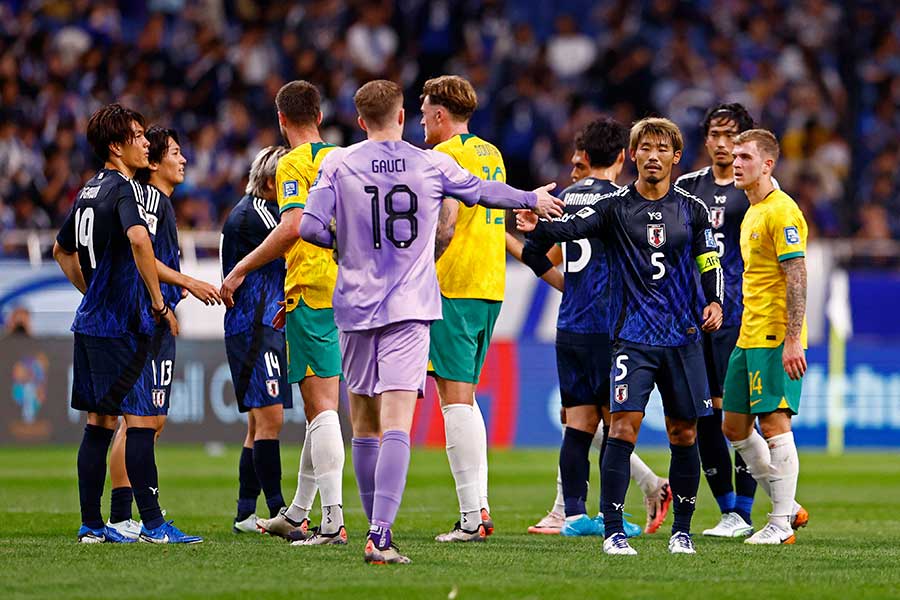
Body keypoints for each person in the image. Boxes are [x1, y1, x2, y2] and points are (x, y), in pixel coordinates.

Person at [299, 79, 563, 564]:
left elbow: (310, 227)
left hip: (356, 307)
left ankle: (370, 524)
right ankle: (381, 537)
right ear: (400, 117)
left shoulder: (337, 162)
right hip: (410, 308)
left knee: (364, 422)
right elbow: (483, 193)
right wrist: (531, 198)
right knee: (400, 422)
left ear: (360, 121)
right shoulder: (432, 162)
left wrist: (344, 242)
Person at [520, 117, 724, 555]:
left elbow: (710, 259)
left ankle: (682, 531)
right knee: (622, 430)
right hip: (631, 338)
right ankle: (613, 530)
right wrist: (534, 225)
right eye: (645, 147)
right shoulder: (614, 205)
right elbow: (567, 230)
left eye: (661, 148)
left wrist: (715, 301)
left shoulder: (693, 209)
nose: (653, 155)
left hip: (683, 336)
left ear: (675, 157)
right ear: (631, 155)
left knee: (685, 433)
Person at [513, 118, 669, 537]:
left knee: (578, 424)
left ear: (585, 157)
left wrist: (567, 285)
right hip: (611, 326)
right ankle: (610, 515)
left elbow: (532, 251)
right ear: (624, 156)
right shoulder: (622, 200)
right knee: (614, 423)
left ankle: (575, 516)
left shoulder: (565, 196)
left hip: (571, 325)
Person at [53, 103, 200, 544]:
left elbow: (62, 251)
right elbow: (139, 238)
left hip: (91, 322)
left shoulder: (87, 190)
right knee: (140, 421)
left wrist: (91, 291)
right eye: (136, 136)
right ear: (116, 146)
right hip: (122, 325)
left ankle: (92, 526)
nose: (143, 143)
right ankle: (154, 526)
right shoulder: (123, 190)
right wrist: (157, 301)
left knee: (99, 423)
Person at [220, 81, 345, 545]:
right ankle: (296, 511)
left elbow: (293, 226)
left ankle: (331, 521)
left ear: (281, 119)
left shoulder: (295, 163)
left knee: (320, 409)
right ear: (320, 113)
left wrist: (239, 270)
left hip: (311, 289)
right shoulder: (344, 158)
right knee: (325, 407)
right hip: (347, 292)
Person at [103, 125, 221, 540]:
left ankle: (125, 516)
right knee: (140, 421)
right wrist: (182, 287)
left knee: (147, 421)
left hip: (150, 316)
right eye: (174, 152)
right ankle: (126, 516)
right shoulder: (152, 201)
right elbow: (145, 256)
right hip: (144, 320)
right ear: (154, 163)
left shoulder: (157, 202)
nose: (182, 159)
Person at [419, 74, 502, 542]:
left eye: (426, 112)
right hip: (490, 286)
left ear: (440, 115)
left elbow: (447, 227)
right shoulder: (492, 153)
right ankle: (480, 509)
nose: (422, 121)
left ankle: (472, 518)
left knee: (453, 402)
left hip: (455, 284)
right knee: (465, 399)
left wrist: (416, 270)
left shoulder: (443, 156)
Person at [722, 129, 810, 545]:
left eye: (745, 157)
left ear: (768, 164)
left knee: (775, 425)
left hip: (775, 335)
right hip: (748, 333)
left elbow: (797, 274)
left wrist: (793, 338)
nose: (735, 162)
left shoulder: (782, 212)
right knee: (734, 427)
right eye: (734, 156)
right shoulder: (752, 210)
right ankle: (787, 502)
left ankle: (779, 524)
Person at [675, 104, 759, 537]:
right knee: (701, 413)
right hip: (695, 317)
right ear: (705, 139)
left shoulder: (758, 190)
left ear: (746, 139)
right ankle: (729, 511)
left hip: (743, 315)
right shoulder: (687, 188)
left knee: (740, 414)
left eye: (731, 135)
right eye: (715, 134)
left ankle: (746, 511)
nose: (722, 143)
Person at [220, 145, 294, 534]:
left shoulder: (248, 211)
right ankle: (282, 511)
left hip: (260, 325)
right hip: (255, 327)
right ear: (270, 183)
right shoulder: (258, 214)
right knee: (271, 420)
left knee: (257, 425)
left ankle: (245, 513)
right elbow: (295, 235)